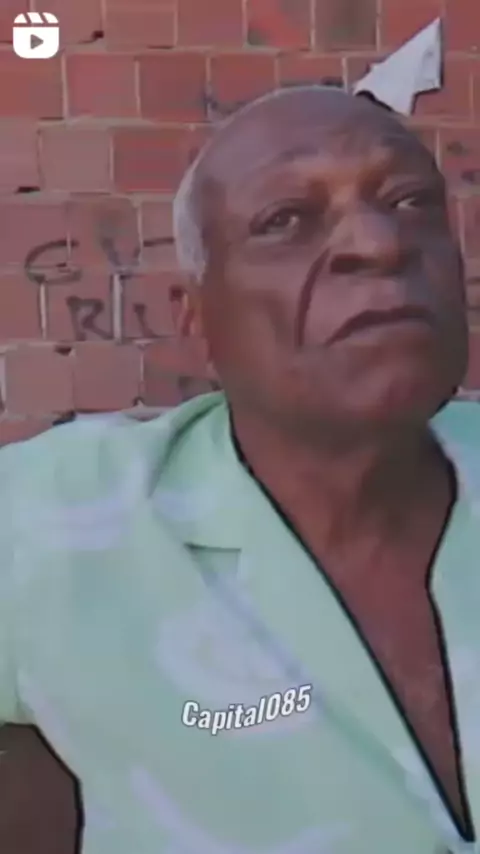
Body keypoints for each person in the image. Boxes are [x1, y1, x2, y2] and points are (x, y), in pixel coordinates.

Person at [1, 85, 479, 854]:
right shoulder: (47, 528)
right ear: (196, 317)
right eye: (285, 219)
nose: (379, 242)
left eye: (411, 201)